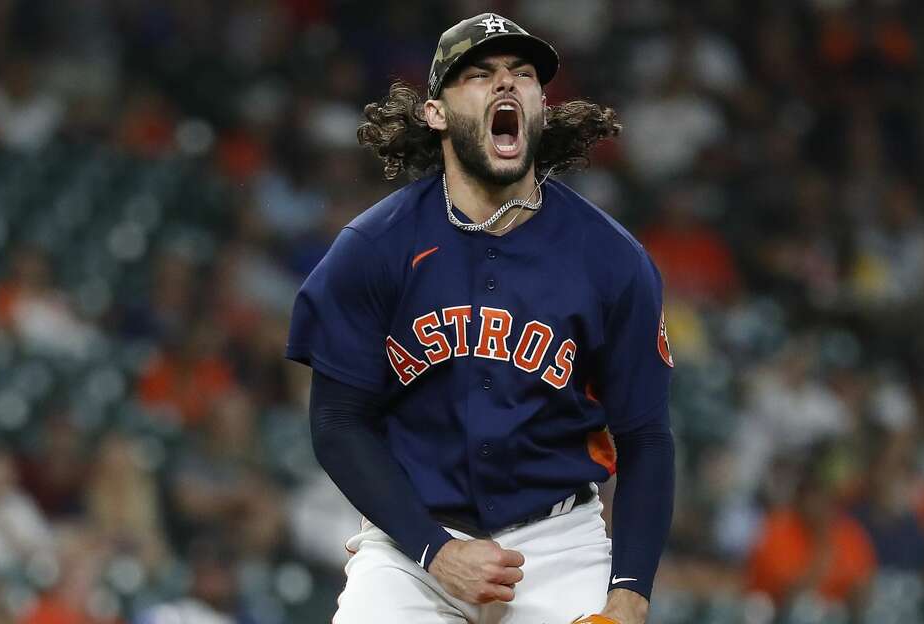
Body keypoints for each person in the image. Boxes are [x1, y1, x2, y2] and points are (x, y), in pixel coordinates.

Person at [286, 13, 674, 624]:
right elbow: (337, 423)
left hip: (560, 542)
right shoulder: (374, 247)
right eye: (479, 75)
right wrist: (433, 550)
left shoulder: (611, 259)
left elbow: (646, 438)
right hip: (414, 544)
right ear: (436, 112)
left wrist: (629, 591)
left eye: (522, 75)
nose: (505, 85)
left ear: (541, 106)